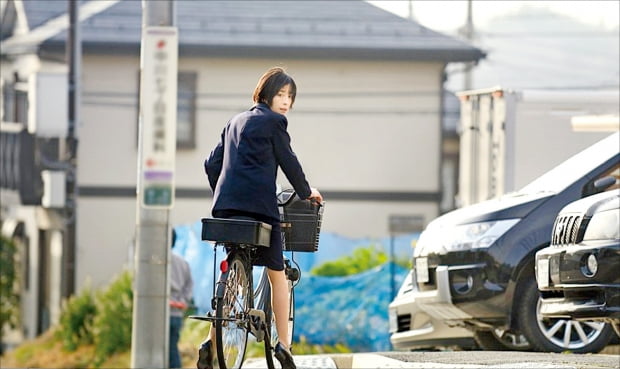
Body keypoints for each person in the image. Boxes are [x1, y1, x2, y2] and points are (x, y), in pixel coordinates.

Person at [197, 67, 322, 369]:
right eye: (281, 94)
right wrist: (307, 193)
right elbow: (289, 162)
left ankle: (210, 343)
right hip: (260, 210)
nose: (285, 102)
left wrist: (226, 193)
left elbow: (211, 163)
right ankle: (284, 345)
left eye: (290, 96)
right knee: (276, 274)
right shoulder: (275, 123)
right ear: (266, 94)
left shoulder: (234, 121)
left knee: (232, 281)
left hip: (226, 209)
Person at [170, 229, 194, 369]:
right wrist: (183, 301)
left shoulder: (157, 264)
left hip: (160, 314)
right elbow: (190, 285)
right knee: (172, 349)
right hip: (177, 313)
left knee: (159, 351)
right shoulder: (182, 263)